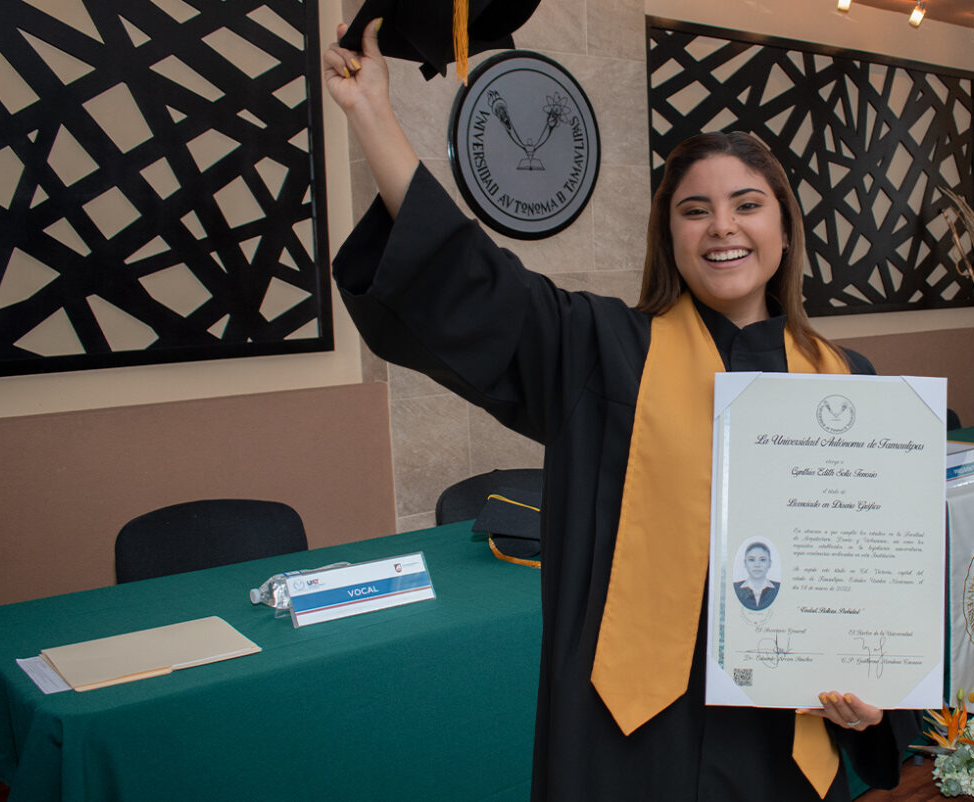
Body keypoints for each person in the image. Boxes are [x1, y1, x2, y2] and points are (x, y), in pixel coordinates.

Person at [323, 20, 903, 801]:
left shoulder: (851, 385)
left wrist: (872, 690)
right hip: (634, 737)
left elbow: (876, 572)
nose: (723, 227)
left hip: (785, 730)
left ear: (785, 227)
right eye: (695, 210)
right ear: (670, 235)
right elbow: (475, 280)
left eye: (747, 204)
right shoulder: (599, 351)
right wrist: (372, 117)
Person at [735, 541, 782, 611]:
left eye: (762, 560)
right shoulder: (736, 588)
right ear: (745, 563)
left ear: (770, 563)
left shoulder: (778, 588)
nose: (757, 565)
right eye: (751, 560)